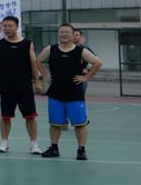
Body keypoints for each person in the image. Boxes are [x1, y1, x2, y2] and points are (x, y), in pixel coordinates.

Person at [36, 23, 102, 160]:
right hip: (55, 93)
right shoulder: (51, 49)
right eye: (61, 32)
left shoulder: (81, 51)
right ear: (58, 34)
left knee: (80, 124)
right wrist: (45, 75)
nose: (63, 34)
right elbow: (38, 60)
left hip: (75, 94)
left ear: (73, 35)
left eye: (67, 32)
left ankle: (81, 149)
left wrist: (86, 77)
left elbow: (97, 63)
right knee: (55, 124)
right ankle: (54, 148)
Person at [0, 15, 44, 154]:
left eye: (10, 26)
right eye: (5, 26)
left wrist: (37, 82)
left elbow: (33, 64)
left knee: (30, 116)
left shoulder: (27, 44)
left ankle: (34, 144)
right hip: (7, 86)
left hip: (24, 86)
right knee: (5, 116)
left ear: (17, 27)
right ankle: (4, 143)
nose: (7, 28)